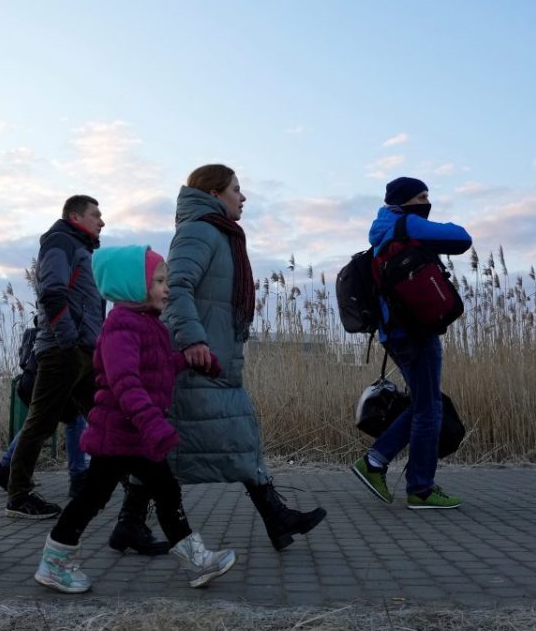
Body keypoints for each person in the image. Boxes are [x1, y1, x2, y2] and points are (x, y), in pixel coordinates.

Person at [34, 245, 235, 593]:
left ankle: (196, 560)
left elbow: (156, 370)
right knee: (92, 499)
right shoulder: (121, 327)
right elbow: (125, 382)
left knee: (164, 489)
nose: (166, 289)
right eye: (158, 281)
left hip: (135, 436)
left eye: (166, 281)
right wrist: (153, 424)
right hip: (119, 435)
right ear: (131, 286)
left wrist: (189, 360)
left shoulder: (148, 326)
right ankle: (54, 563)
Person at [160, 163, 326, 552]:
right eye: (236, 188)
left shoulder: (220, 233)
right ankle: (275, 516)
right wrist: (193, 340)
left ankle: (276, 518)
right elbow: (176, 287)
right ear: (215, 194)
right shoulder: (200, 230)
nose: (243, 196)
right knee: (223, 439)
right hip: (199, 358)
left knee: (232, 437)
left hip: (216, 357)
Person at [4, 196, 169, 555]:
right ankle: (18, 494)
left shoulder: (82, 246)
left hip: (85, 349)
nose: (102, 221)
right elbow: (51, 290)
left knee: (111, 420)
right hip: (64, 350)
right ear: (74, 215)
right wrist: (66, 339)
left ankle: (131, 503)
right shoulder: (60, 241)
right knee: (41, 422)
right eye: (96, 214)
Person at [351, 176, 472, 509]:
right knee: (429, 410)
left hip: (399, 331)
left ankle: (375, 462)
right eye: (421, 196)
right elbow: (462, 238)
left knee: (425, 405)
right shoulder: (406, 225)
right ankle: (419, 487)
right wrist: (419, 223)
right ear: (403, 201)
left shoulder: (385, 229)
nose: (426, 201)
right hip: (415, 332)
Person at [0, 320, 91, 499]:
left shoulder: (48, 325)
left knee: (39, 421)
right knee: (74, 419)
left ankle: (4, 467)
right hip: (49, 374)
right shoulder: (67, 321)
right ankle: (78, 478)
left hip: (32, 377)